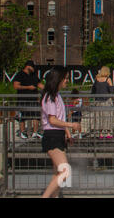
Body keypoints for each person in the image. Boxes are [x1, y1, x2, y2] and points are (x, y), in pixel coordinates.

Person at [40, 67, 81, 198]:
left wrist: (68, 133)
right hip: (52, 135)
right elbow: (53, 120)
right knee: (65, 171)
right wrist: (71, 124)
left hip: (57, 135)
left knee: (58, 171)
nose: (67, 81)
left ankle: (55, 196)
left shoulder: (57, 96)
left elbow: (60, 118)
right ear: (59, 79)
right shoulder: (50, 97)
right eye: (66, 79)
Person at [13, 60, 45, 139]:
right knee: (22, 116)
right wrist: (28, 87)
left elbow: (39, 84)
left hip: (33, 100)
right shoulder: (20, 74)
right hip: (23, 99)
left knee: (36, 115)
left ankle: (35, 132)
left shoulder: (33, 75)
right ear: (28, 66)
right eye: (33, 67)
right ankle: (23, 132)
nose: (34, 69)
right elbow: (16, 86)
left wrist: (49, 89)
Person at [91, 66, 114, 139]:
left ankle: (100, 134)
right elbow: (112, 90)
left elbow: (93, 90)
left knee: (98, 117)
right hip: (106, 101)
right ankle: (108, 133)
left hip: (97, 101)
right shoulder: (108, 79)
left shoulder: (96, 79)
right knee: (107, 117)